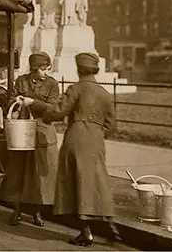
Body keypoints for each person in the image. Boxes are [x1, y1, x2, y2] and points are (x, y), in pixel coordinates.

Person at [20, 52, 122, 246]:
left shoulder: (76, 89)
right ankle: (108, 221)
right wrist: (98, 135)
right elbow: (112, 125)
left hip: (76, 138)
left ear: (78, 69)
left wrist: (42, 112)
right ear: (95, 70)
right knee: (98, 181)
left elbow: (59, 111)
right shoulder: (104, 93)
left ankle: (86, 231)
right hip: (96, 140)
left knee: (73, 183)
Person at [1, 52, 60, 227]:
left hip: (42, 133)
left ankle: (37, 212)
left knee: (37, 176)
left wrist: (32, 102)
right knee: (18, 173)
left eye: (46, 68)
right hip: (22, 132)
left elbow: (53, 108)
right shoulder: (22, 80)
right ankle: (17, 210)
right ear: (33, 69)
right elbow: (10, 100)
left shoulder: (52, 84)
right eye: (41, 69)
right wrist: (17, 100)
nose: (45, 72)